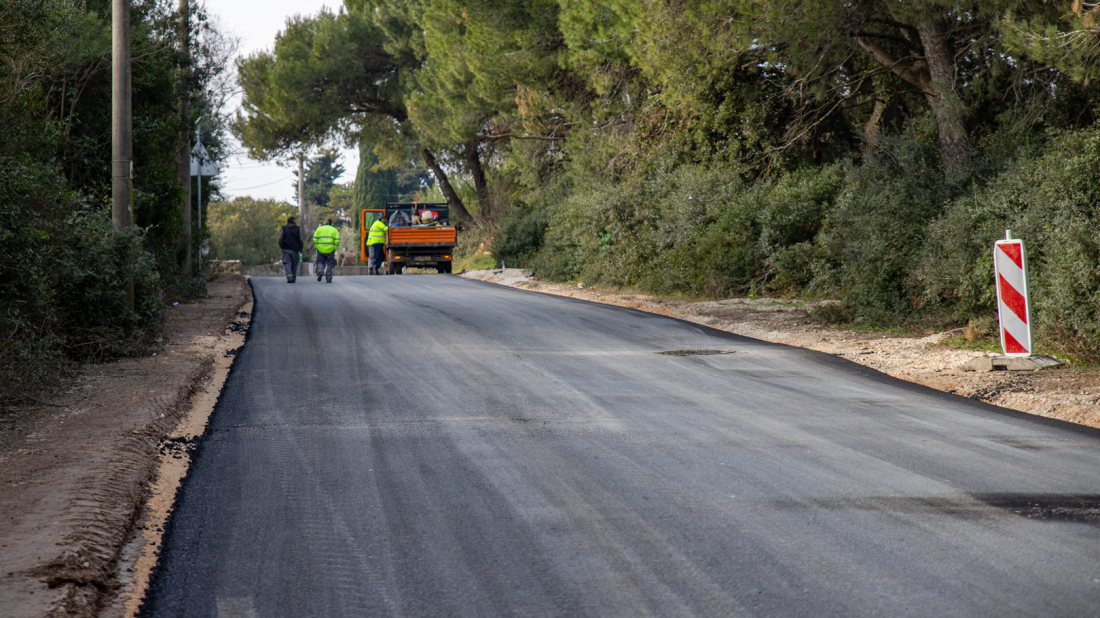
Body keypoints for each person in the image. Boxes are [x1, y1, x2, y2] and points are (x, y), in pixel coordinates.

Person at [312, 218, 340, 283]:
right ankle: (329, 278)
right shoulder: (334, 230)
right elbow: (337, 240)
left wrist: (316, 246)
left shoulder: (319, 229)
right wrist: (334, 248)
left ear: (325, 222)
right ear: (331, 223)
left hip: (320, 249)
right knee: (330, 264)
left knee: (320, 262)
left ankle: (320, 271)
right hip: (330, 250)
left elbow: (314, 238)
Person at [278, 216, 303, 283]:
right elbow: (300, 239)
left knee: (287, 262)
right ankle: (293, 276)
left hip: (286, 248)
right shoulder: (297, 229)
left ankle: (289, 276)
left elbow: (280, 238)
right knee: (295, 263)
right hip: (295, 249)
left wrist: (281, 246)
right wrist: (301, 248)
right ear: (293, 221)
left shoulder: (284, 229)